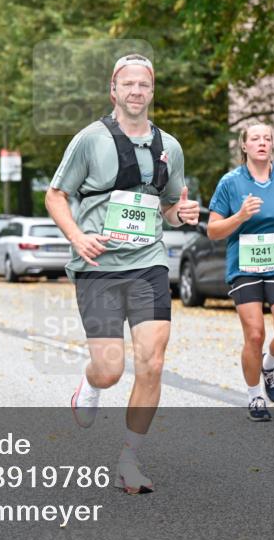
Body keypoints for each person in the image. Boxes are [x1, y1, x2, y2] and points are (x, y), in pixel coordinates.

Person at [45, 53, 199, 494]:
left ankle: (129, 458)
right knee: (110, 369)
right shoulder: (89, 140)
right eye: (127, 84)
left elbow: (170, 208)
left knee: (152, 361)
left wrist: (181, 212)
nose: (136, 92)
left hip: (148, 261)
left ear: (152, 91)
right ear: (114, 90)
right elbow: (56, 196)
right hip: (98, 266)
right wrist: (77, 237)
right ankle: (90, 386)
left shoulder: (170, 147)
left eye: (143, 85)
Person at [206, 122, 274, 421]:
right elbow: (213, 230)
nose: (262, 143)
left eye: (267, 138)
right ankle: (255, 396)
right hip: (244, 267)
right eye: (255, 139)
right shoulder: (230, 182)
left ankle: (269, 365)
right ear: (244, 146)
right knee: (254, 334)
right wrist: (240, 216)